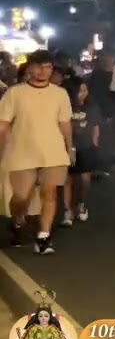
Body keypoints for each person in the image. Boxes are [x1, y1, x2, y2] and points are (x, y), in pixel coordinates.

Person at [0, 50, 73, 254]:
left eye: (47, 67)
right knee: (20, 197)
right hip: (21, 152)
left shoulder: (59, 94)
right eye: (38, 66)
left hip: (53, 152)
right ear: (29, 69)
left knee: (49, 193)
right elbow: (3, 124)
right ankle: (18, 220)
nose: (43, 71)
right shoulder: (15, 93)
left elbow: (65, 124)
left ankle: (43, 237)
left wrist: (70, 147)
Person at [60, 77, 97, 227]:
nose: (82, 94)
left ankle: (81, 204)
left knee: (84, 180)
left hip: (86, 148)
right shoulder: (64, 107)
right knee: (67, 180)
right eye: (79, 91)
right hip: (66, 147)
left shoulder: (92, 107)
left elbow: (95, 127)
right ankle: (67, 211)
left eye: (85, 90)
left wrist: (95, 145)